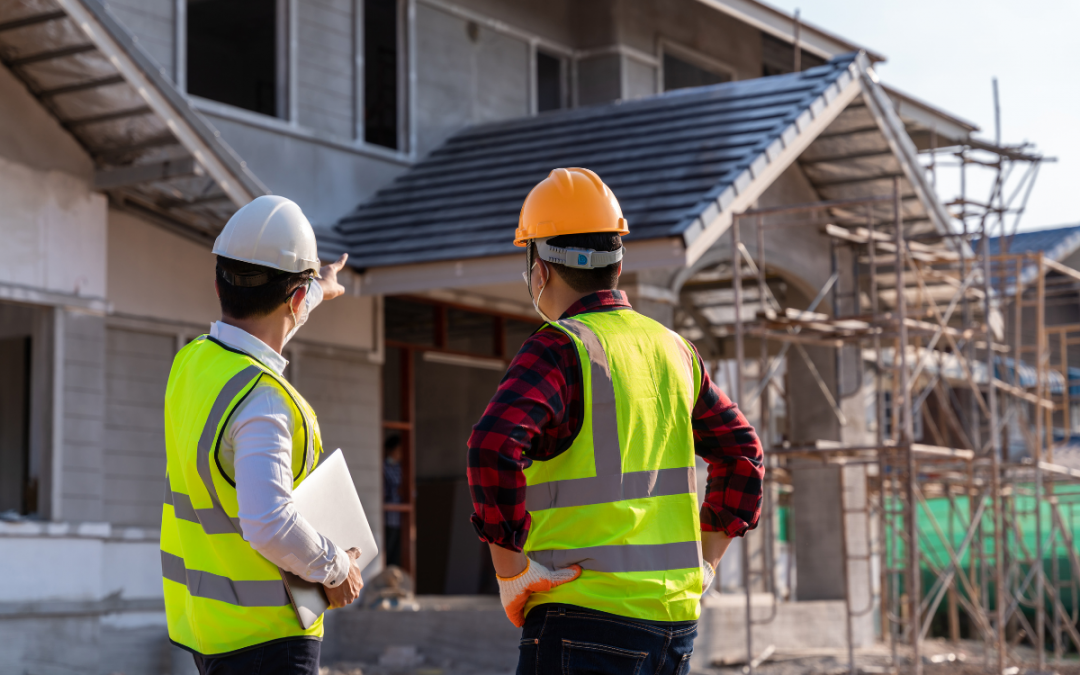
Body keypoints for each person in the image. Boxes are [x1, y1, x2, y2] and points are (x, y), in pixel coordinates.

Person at [466, 168, 765, 674]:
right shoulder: (675, 350)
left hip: (582, 619)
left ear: (540, 268)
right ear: (617, 264)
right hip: (674, 627)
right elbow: (743, 452)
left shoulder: (561, 346)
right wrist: (707, 560)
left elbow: (493, 446)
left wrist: (510, 571)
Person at [161, 195, 365, 675]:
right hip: (270, 641)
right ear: (294, 299)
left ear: (218, 282)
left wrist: (320, 289)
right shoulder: (263, 399)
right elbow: (268, 521)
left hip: (210, 630)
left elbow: (265, 327)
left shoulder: (192, 363)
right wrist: (336, 568)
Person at [383, 435, 404, 567]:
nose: (400, 454)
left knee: (397, 554)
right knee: (388, 553)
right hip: (389, 517)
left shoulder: (401, 468)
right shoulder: (383, 467)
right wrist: (397, 492)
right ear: (390, 450)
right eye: (398, 450)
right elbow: (385, 491)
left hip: (401, 517)